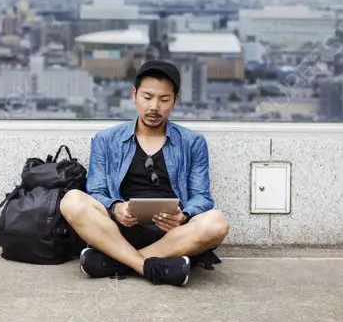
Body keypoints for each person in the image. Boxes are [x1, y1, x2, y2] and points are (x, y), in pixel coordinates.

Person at [59, 59, 230, 286]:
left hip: (171, 234)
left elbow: (202, 196)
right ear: (134, 94)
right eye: (147, 97)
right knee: (72, 200)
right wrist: (116, 207)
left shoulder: (193, 142)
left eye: (164, 99)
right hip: (120, 230)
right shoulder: (106, 139)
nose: (154, 107)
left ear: (175, 101)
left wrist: (184, 216)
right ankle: (152, 266)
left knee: (218, 223)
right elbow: (96, 190)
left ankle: (116, 260)